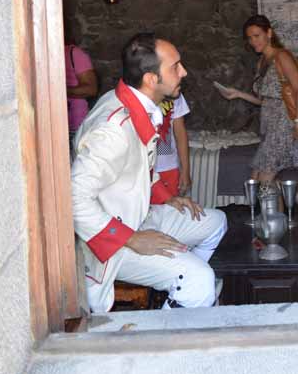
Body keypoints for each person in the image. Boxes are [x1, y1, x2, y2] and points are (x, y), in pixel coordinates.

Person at [70, 32, 227, 312]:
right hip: (111, 241)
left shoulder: (134, 103)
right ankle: (185, 295)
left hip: (139, 217)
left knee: (216, 221)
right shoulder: (112, 131)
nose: (184, 72)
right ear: (151, 80)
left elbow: (136, 166)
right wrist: (132, 239)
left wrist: (167, 196)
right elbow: (73, 198)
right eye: (175, 67)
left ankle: (178, 287)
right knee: (200, 279)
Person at [218, 15, 298, 217]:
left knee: (264, 177)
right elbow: (265, 100)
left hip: (284, 124)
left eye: (257, 35)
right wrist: (238, 94)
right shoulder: (262, 62)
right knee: (259, 176)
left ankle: (275, 223)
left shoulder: (282, 56)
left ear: (269, 33)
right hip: (269, 125)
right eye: (250, 37)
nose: (253, 41)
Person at [156, 93, 192, 197]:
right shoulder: (135, 91)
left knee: (170, 210)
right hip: (141, 168)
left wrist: (185, 170)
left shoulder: (174, 93)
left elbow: (180, 133)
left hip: (168, 167)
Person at [65, 41, 98, 147]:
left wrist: (60, 92)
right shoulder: (42, 52)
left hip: (75, 127)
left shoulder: (75, 53)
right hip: (52, 126)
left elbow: (91, 89)